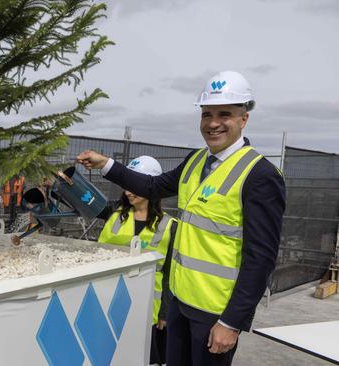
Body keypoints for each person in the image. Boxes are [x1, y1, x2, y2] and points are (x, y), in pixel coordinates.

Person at [77, 71, 286, 366]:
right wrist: (106, 164)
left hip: (215, 314)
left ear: (244, 118)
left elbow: (261, 258)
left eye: (224, 114)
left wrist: (232, 322)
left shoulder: (259, 175)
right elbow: (152, 187)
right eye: (206, 114)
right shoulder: (195, 160)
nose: (213, 123)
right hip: (179, 303)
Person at [97, 156, 177, 365]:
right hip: (108, 302)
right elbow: (82, 198)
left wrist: (165, 313)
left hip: (148, 311)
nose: (129, 191)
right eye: (127, 186)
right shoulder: (113, 214)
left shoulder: (169, 226)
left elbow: (170, 272)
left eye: (135, 185)